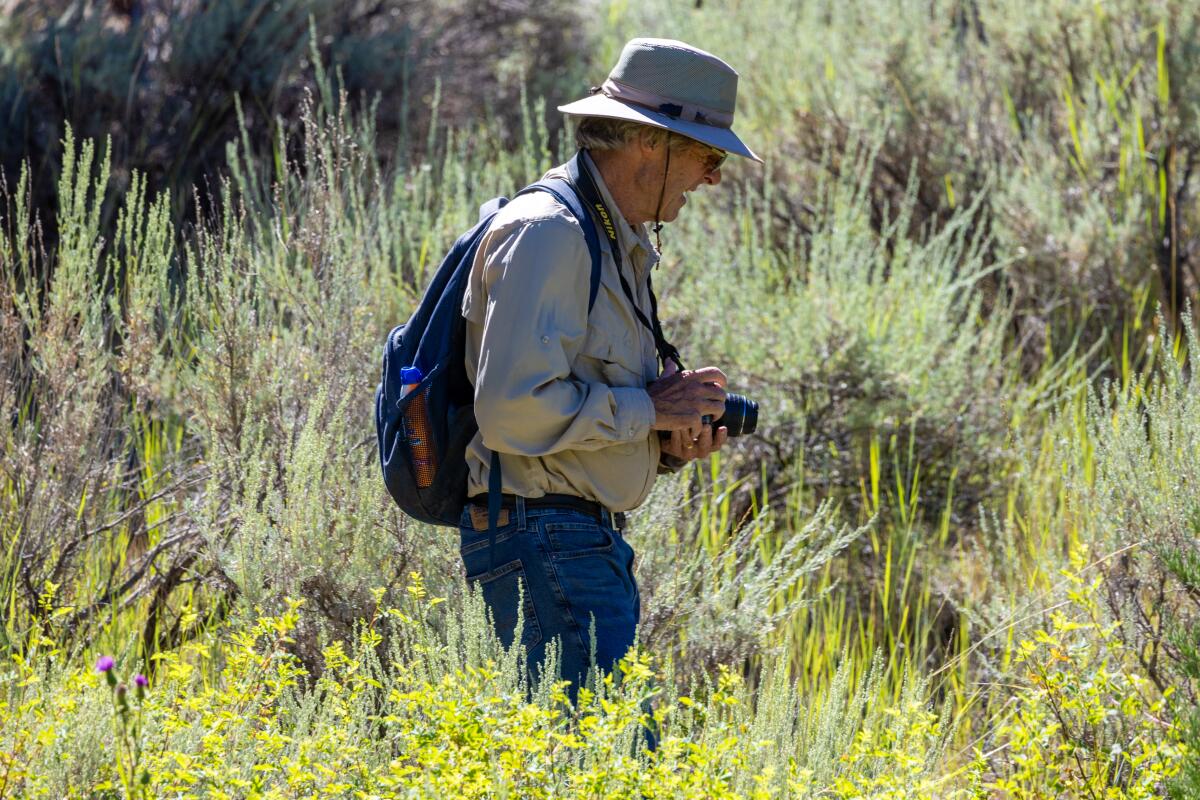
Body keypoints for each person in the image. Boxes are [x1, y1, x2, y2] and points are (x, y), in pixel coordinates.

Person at [457, 37, 761, 697]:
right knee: (605, 762)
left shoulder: (602, 238)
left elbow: (567, 409)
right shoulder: (551, 233)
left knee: (591, 762)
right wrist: (651, 409)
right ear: (651, 142)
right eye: (709, 155)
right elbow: (510, 408)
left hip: (569, 541)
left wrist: (665, 439)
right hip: (547, 540)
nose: (714, 176)